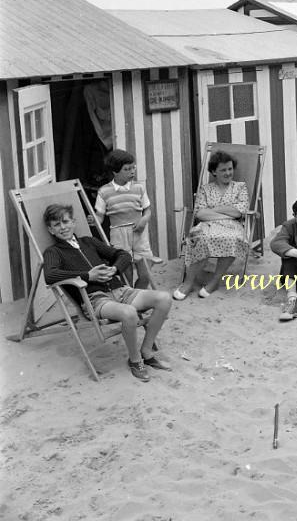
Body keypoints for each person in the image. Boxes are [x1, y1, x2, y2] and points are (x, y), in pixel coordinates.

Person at [43, 204, 172, 382]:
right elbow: (50, 275)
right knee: (129, 313)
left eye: (65, 221)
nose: (63, 227)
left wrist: (114, 269)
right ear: (50, 229)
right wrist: (88, 275)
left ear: (73, 222)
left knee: (164, 298)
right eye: (56, 225)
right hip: (95, 299)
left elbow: (123, 255)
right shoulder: (53, 252)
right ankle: (135, 361)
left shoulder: (88, 241)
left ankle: (146, 351)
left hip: (120, 290)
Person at [173, 150, 249, 300]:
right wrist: (227, 213)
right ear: (214, 172)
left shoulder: (240, 187)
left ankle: (214, 281)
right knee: (201, 238)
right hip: (207, 225)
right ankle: (188, 283)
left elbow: (240, 212)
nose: (228, 173)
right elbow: (200, 214)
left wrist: (213, 210)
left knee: (234, 238)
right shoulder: (205, 189)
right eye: (223, 170)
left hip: (232, 226)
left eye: (230, 169)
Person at [94, 149, 161, 289]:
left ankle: (138, 294)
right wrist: (94, 220)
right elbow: (99, 217)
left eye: (133, 168)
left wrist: (143, 220)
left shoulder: (139, 188)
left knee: (146, 272)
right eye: (127, 169)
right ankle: (131, 298)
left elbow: (147, 210)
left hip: (139, 232)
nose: (132, 172)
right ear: (115, 171)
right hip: (118, 234)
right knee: (126, 271)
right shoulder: (104, 191)